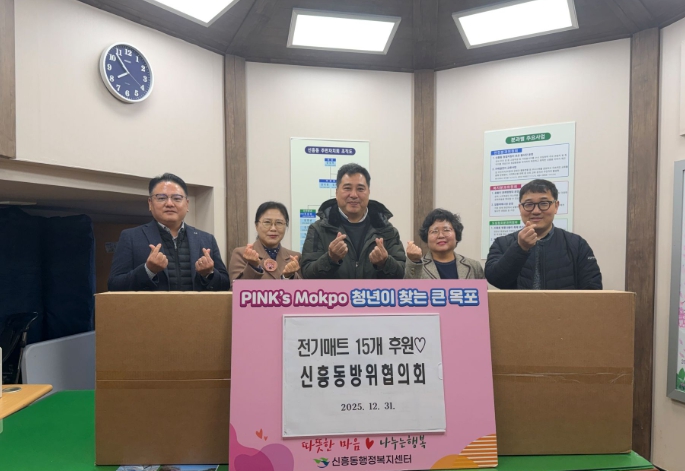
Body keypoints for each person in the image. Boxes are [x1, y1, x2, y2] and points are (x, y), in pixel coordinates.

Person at [108, 173, 230, 291]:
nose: (169, 204)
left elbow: (225, 284)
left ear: (187, 204)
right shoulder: (131, 237)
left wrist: (209, 273)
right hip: (150, 306)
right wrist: (148, 270)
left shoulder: (207, 239)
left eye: (177, 198)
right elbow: (114, 285)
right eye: (161, 198)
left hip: (195, 306)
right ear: (150, 203)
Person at [485, 179, 602, 290]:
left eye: (544, 203)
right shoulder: (502, 243)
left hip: (564, 306)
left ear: (556, 206)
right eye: (529, 204)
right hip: (518, 306)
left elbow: (593, 288)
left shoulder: (577, 244)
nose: (536, 211)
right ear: (520, 208)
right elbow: (495, 279)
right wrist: (520, 248)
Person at [301, 163, 406, 279]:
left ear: (369, 192)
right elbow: (307, 274)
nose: (354, 195)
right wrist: (330, 259)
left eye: (360, 189)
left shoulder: (387, 230)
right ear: (336, 192)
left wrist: (385, 263)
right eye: (347, 188)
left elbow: (402, 274)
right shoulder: (318, 229)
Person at [229, 201, 302, 282]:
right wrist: (253, 266)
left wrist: (290, 276)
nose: (273, 228)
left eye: (279, 223)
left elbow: (304, 289)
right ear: (256, 226)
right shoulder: (241, 254)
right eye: (267, 222)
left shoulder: (295, 257)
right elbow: (236, 288)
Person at [405, 208, 484, 280]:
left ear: (456, 235)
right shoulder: (416, 266)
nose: (441, 235)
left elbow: (483, 291)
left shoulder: (474, 266)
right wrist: (414, 261)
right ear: (427, 238)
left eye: (446, 230)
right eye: (434, 231)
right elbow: (409, 288)